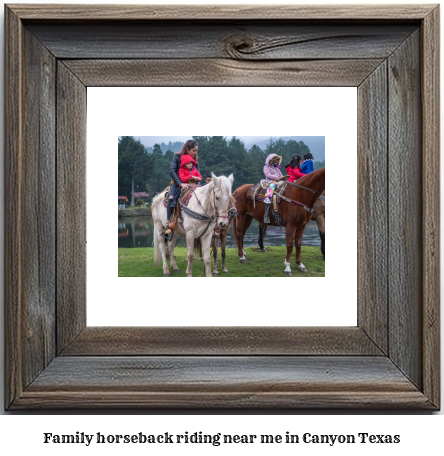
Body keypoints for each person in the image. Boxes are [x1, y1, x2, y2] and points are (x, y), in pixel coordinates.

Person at [165, 139, 199, 234]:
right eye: (194, 151)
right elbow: (172, 171)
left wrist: (198, 184)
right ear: (187, 149)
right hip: (177, 182)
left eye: (196, 151)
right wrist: (181, 183)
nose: (195, 153)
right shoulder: (177, 156)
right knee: (171, 197)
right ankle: (169, 221)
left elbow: (197, 172)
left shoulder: (195, 158)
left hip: (193, 183)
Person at [263, 154, 283, 223]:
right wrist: (276, 178)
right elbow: (267, 175)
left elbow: (281, 175)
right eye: (275, 162)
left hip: (278, 181)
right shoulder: (266, 167)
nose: (276, 164)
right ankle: (268, 197)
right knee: (273, 185)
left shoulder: (277, 169)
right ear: (271, 161)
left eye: (277, 163)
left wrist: (283, 178)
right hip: (270, 181)